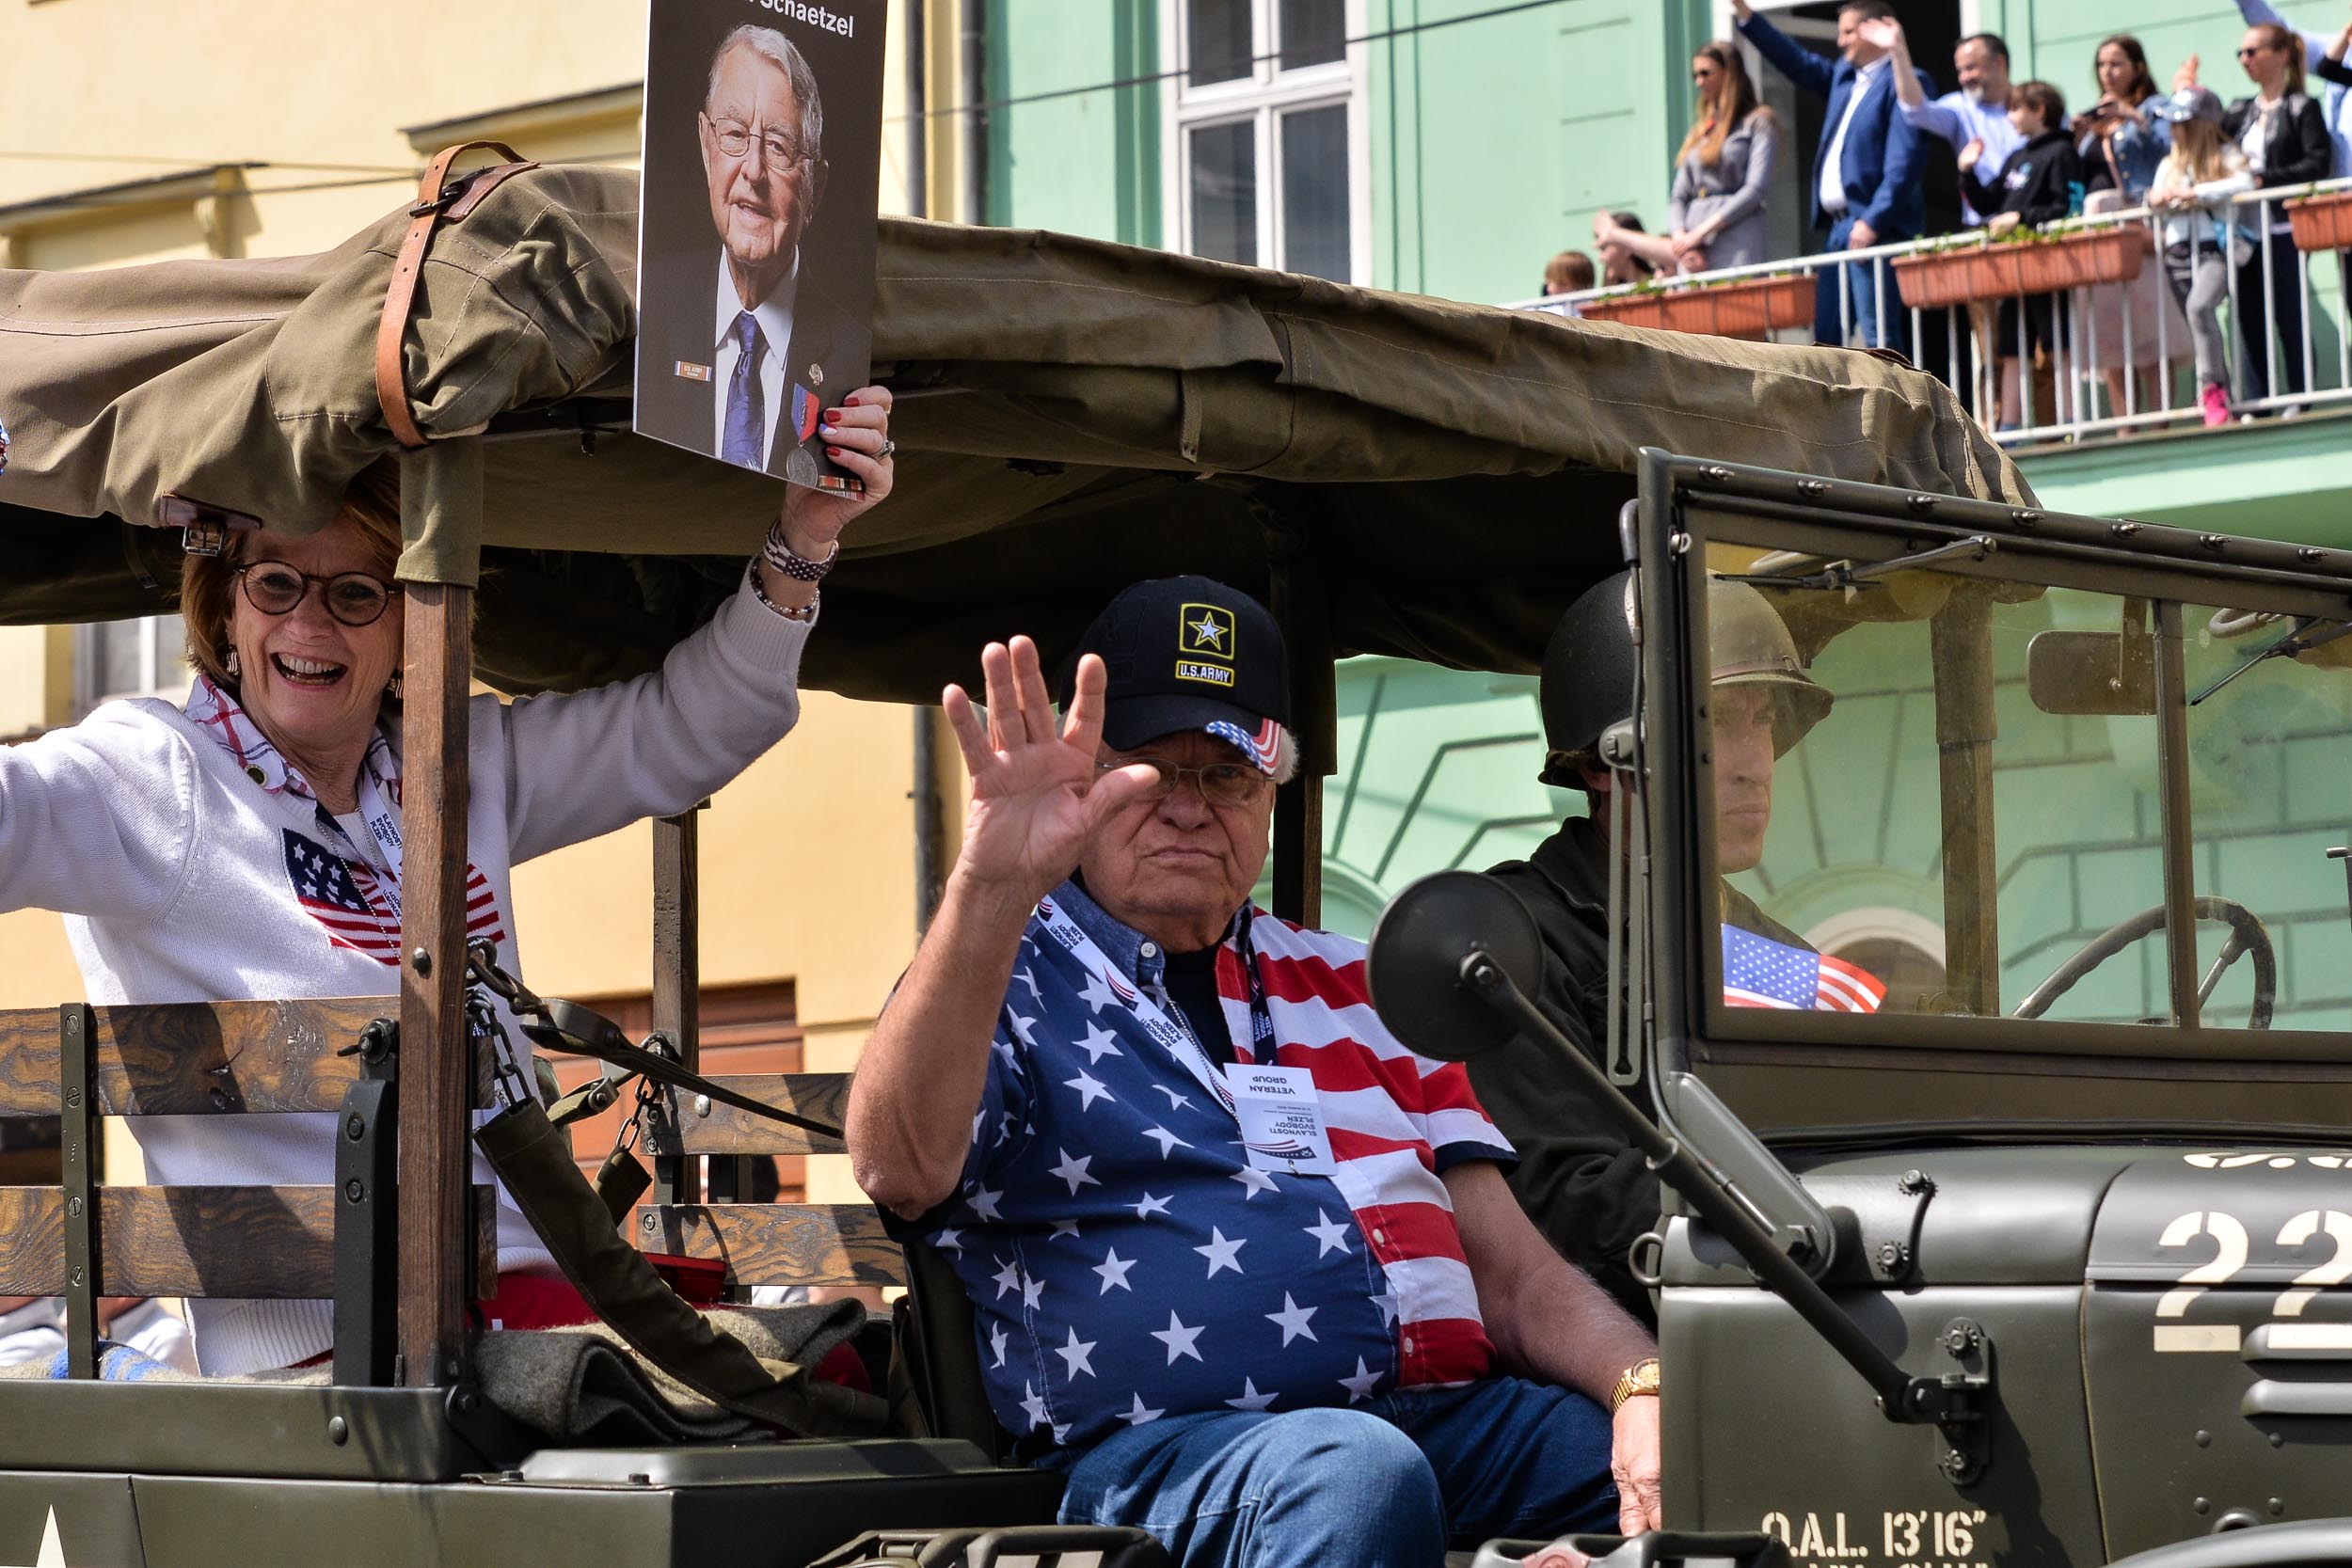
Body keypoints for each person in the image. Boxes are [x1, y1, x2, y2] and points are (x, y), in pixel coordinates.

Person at [0, 397, 897, 1374]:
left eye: (356, 593)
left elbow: (690, 726)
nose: (310, 621)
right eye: (274, 584)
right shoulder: (152, 772)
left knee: (857, 1369)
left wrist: (804, 537)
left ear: (409, 625)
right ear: (221, 606)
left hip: (520, 1295)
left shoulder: (449, 761)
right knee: (806, 1379)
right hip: (345, 1343)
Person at [845, 578, 1663, 1568]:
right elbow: (896, 1165)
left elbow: (1517, 1276)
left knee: (1707, 1463)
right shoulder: (1000, 973)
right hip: (1155, 1463)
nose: (1187, 808)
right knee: (1353, 1471)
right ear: (1083, 781)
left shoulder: (1363, 982)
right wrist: (986, 888)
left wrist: (1643, 1388)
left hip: (1441, 1431)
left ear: (1271, 790)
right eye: (1148, 771)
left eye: (1227, 774)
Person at [1476, 574, 1882, 1330]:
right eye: (1716, 719)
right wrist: (1802, 1195)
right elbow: (1566, 1207)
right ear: (1601, 763)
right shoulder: (1517, 943)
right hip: (1626, 1361)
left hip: (1802, 1312)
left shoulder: (1780, 956)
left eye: (1761, 722)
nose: (1753, 761)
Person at [638, 24, 869, 485]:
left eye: (780, 146)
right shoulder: (646, 314)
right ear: (707, 147)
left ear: (814, 187)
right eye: (735, 133)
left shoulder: (852, 357)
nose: (753, 171)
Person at [1731, 0, 1931, 350]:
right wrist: (1746, 14)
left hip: (1873, 228)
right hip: (1839, 230)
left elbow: (1905, 160)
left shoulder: (1905, 80)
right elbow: (1797, 63)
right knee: (1827, 340)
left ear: (1878, 28)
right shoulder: (1845, 78)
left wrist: (1873, 220)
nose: (1840, 42)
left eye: (1849, 32)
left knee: (1879, 338)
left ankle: (1898, 406)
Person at [2209, 25, 2332, 407]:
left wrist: (2264, 180)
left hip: (2281, 227)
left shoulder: (2301, 107)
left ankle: (2300, 396)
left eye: (2253, 51)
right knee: (2248, 316)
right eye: (2241, 53)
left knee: (2288, 313)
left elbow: (2317, 162)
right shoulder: (2239, 109)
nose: (2245, 60)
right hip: (2243, 230)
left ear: (2280, 55)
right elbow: (2209, 149)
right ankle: (2258, 401)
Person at [1961, 83, 2083, 432]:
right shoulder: (2017, 157)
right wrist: (1967, 172)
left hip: (2048, 262)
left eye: (2016, 109)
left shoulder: (2061, 151)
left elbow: (2067, 206)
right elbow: (1989, 204)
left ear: (2040, 110)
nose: (2010, 117)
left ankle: (2071, 420)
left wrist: (2023, 218)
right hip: (2014, 269)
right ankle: (2010, 426)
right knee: (2012, 348)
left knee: (2058, 343)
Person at [1601, 43, 1780, 276]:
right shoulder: (1699, 131)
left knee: (1738, 305)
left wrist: (1700, 232)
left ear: (1730, 73)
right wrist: (1680, 237)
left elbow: (1755, 189)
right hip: (1692, 245)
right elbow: (1678, 196)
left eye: (1706, 73)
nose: (1699, 82)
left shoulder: (1758, 122)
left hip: (1736, 236)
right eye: (1695, 75)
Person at [2077, 36, 2179, 423]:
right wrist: (2080, 135)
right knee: (2112, 328)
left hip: (2143, 216)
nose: (2108, 72)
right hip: (2105, 223)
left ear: (2138, 67)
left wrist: (2132, 117)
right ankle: (2126, 425)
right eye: (2102, 64)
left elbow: (2173, 146)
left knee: (2152, 324)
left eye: (2117, 63)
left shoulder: (2155, 108)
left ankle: (2160, 419)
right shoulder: (2096, 118)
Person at [2149, 86, 2255, 426]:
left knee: (2199, 307)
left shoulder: (2224, 154)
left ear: (2198, 124)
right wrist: (2158, 200)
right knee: (2198, 324)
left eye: (2180, 123)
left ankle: (2213, 390)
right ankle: (2217, 394)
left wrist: (2197, 193)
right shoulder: (2169, 162)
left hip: (2214, 251)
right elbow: (2154, 200)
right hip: (2176, 252)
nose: (2173, 130)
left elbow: (2246, 183)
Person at [1591, 211, 1661, 286]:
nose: (1601, 258)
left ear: (1628, 246)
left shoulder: (1662, 285)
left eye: (1604, 248)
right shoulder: (1610, 293)